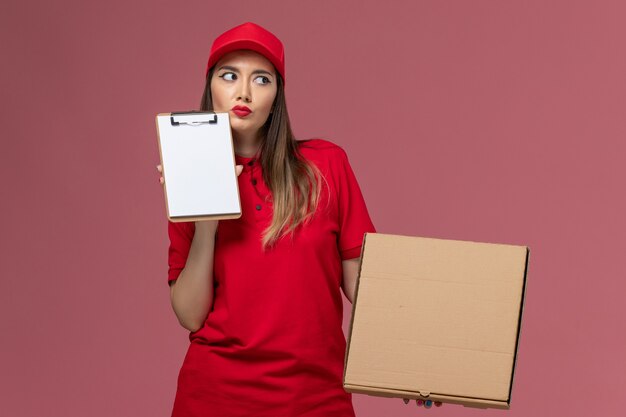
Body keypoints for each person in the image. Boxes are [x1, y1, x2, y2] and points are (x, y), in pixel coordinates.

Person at [157, 22, 436, 416]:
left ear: (277, 96)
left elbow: (366, 286)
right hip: (214, 398)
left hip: (315, 400)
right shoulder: (189, 178)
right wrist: (206, 220)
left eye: (262, 79)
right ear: (211, 89)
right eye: (230, 75)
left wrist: (427, 363)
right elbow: (190, 315)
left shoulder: (326, 165)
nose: (244, 92)